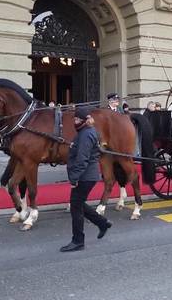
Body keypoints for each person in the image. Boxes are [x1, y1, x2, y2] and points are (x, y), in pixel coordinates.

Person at [61, 106, 112, 252]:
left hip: (85, 176)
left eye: (77, 119)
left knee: (75, 207)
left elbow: (82, 159)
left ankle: (78, 241)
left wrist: (74, 178)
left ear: (84, 120)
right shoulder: (86, 132)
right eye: (75, 119)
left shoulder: (85, 135)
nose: (75, 121)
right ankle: (102, 223)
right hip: (87, 175)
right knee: (78, 203)